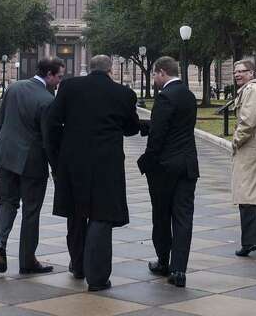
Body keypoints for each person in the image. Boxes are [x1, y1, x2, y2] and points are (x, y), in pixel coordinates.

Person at [45, 54, 140, 291]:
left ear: (91, 69)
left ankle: (78, 266)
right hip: (106, 164)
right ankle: (97, 278)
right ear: (111, 70)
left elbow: (52, 122)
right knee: (101, 215)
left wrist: (56, 159)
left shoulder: (69, 87)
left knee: (76, 214)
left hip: (73, 162)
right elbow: (130, 128)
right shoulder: (124, 94)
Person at [0, 57, 65, 274]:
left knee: (6, 202)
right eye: (59, 76)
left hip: (5, 155)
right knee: (31, 212)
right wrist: (56, 168)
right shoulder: (48, 100)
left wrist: (1, 149)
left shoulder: (14, 88)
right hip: (32, 162)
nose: (60, 81)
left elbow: (1, 123)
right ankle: (27, 260)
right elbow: (48, 139)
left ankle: (0, 245)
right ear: (49, 75)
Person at [136, 55, 198, 288]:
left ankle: (163, 261)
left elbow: (158, 136)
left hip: (165, 168)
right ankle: (179, 269)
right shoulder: (188, 96)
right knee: (183, 218)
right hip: (187, 164)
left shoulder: (164, 97)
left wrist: (146, 162)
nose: (154, 79)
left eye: (154, 74)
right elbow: (178, 126)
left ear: (162, 72)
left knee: (161, 215)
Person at [230, 58, 256, 256]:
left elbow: (247, 122)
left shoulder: (251, 92)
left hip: (251, 146)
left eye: (242, 71)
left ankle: (249, 242)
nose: (237, 74)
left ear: (252, 73)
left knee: (245, 193)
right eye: (236, 71)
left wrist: (235, 141)